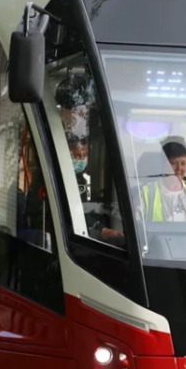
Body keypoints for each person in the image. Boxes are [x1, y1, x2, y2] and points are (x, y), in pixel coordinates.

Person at [54, 73, 125, 247]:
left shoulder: (91, 176)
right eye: (77, 155)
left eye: (84, 155)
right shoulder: (56, 170)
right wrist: (99, 230)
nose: (81, 158)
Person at [140, 141, 186, 222]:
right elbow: (136, 227)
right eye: (173, 163)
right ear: (163, 164)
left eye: (183, 163)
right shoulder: (146, 194)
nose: (179, 169)